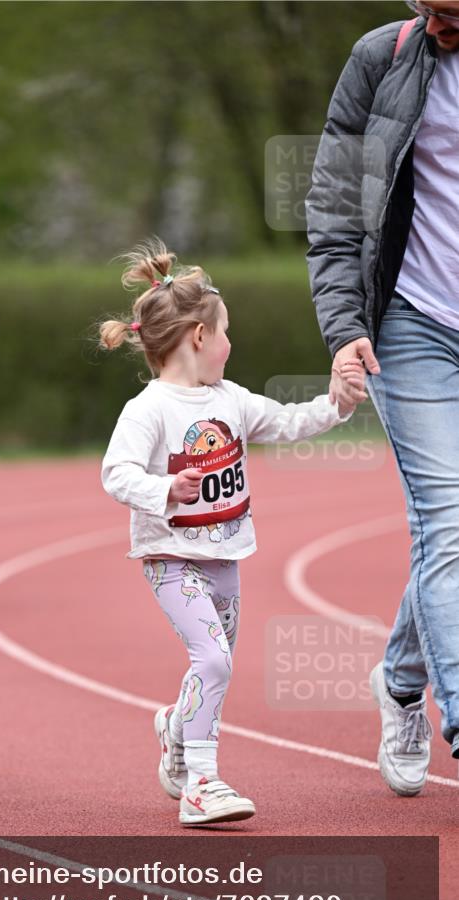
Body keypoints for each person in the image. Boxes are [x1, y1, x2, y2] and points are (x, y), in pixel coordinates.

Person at [99, 239, 365, 827]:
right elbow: (115, 473)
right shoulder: (148, 410)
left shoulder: (232, 400)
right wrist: (165, 489)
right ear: (199, 337)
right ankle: (202, 784)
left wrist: (338, 404)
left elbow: (289, 422)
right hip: (171, 558)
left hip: (225, 558)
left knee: (214, 666)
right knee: (214, 662)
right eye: (225, 332)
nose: (230, 343)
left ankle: (175, 728)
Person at [306, 1, 459, 796]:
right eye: (426, 8)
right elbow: (335, 206)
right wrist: (343, 327)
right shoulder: (383, 57)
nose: (435, 24)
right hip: (413, 323)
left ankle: (400, 680)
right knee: (448, 521)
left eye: (450, 13)